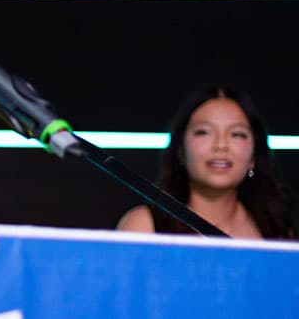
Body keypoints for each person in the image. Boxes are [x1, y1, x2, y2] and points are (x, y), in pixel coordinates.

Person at [117, 84, 294, 239]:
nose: (221, 145)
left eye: (237, 134)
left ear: (254, 156)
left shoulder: (276, 231)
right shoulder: (144, 227)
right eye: (204, 132)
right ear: (181, 150)